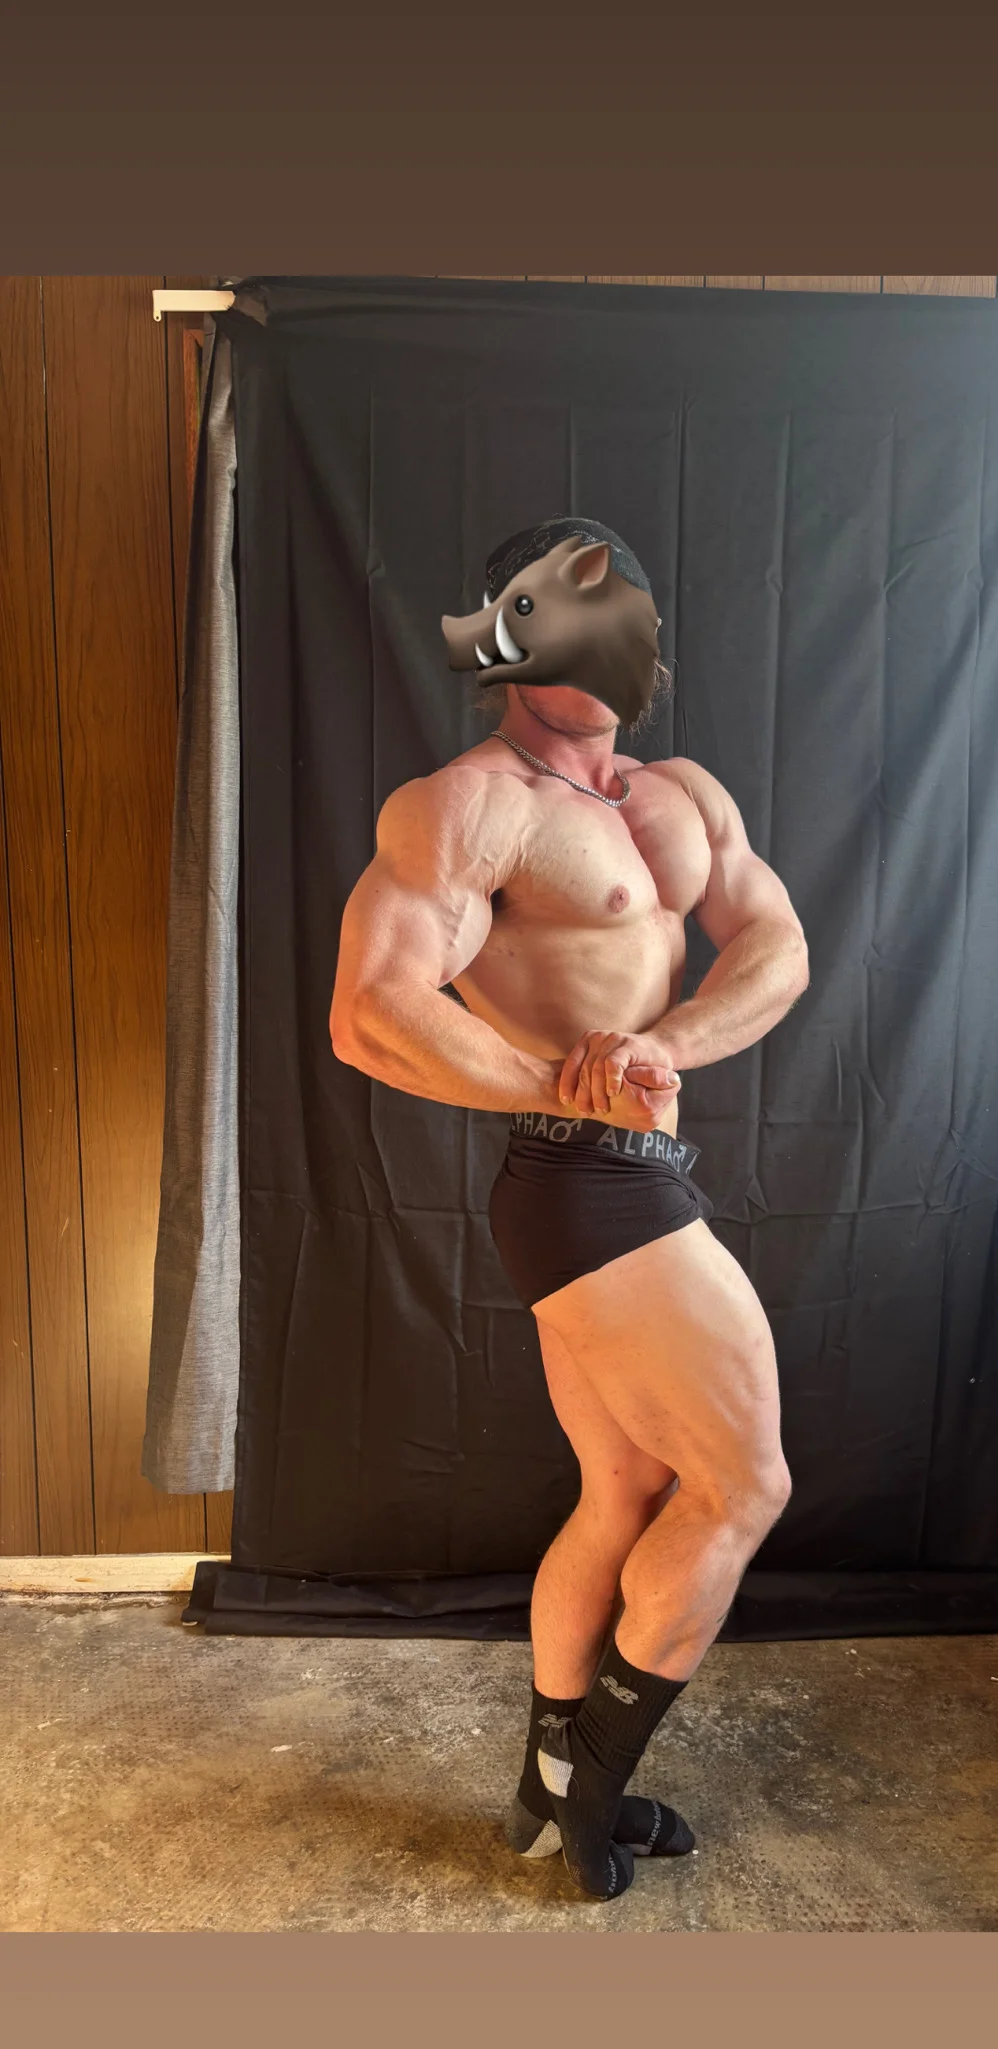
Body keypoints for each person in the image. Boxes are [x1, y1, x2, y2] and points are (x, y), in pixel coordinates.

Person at [329, 523, 809, 1901]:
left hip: (624, 1170)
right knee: (744, 1487)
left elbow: (774, 944)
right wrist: (565, 1083)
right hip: (580, 1182)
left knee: (626, 1490)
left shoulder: (680, 794)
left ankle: (545, 1794)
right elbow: (370, 1012)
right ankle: (594, 1785)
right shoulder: (471, 807)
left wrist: (664, 1048)